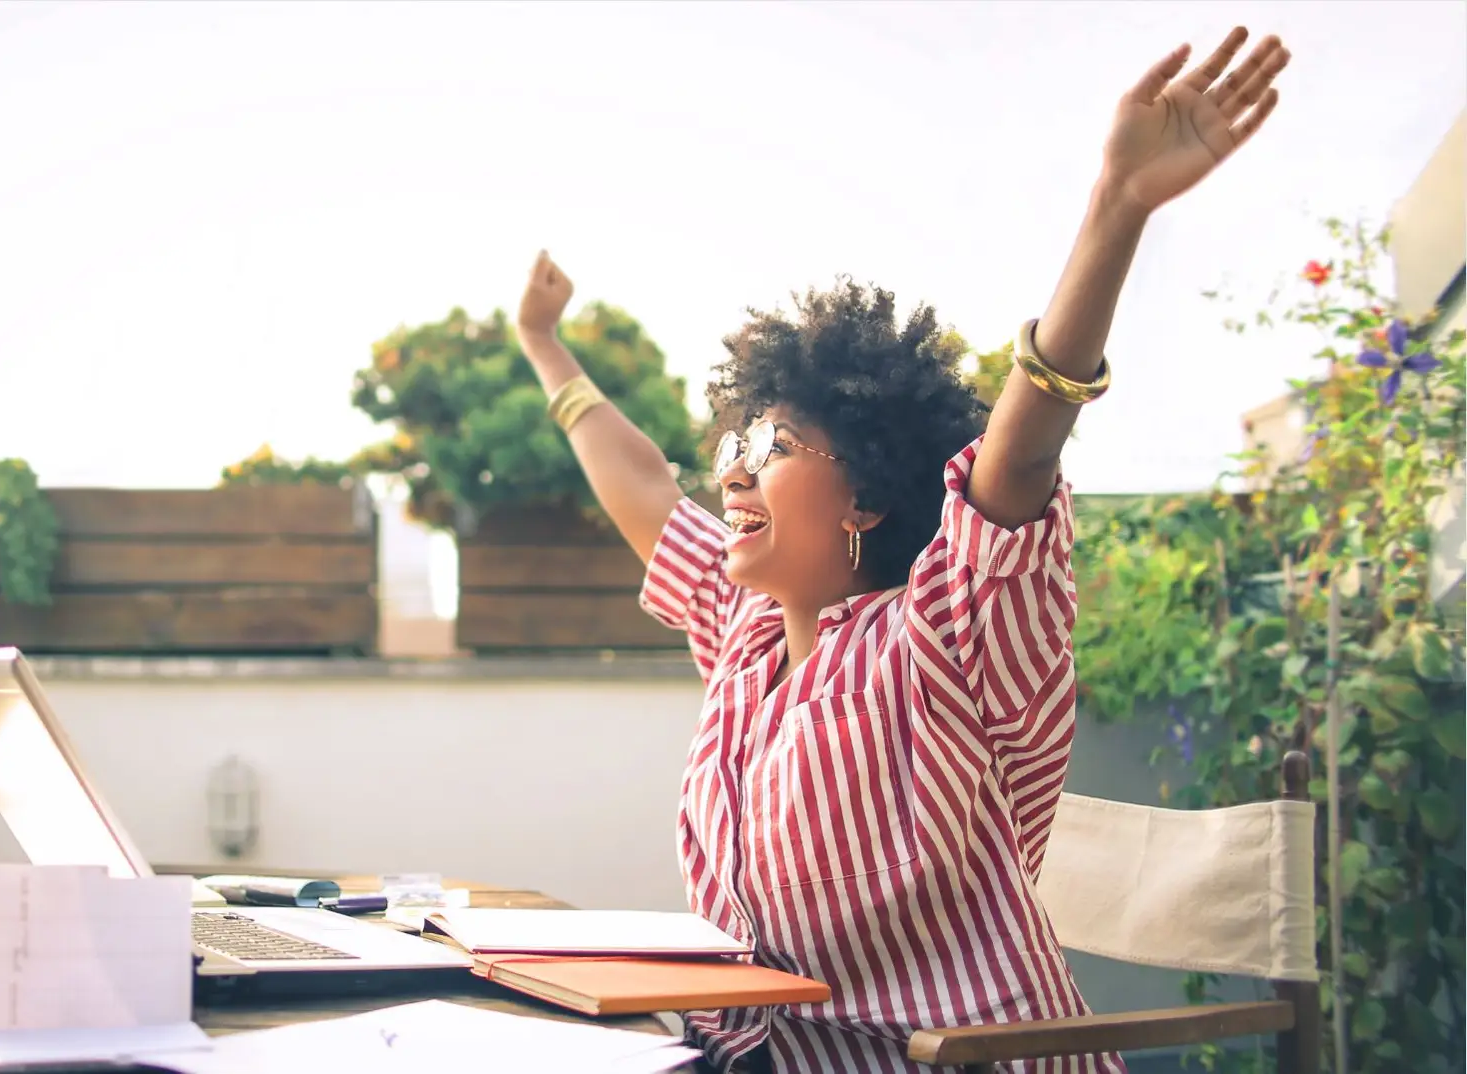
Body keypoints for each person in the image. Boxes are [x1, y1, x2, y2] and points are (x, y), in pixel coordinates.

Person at [511, 27, 1290, 1074]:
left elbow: (1015, 463)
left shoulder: (949, 634)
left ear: (868, 496)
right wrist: (545, 348)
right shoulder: (744, 637)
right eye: (734, 450)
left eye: (772, 451)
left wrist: (1118, 205)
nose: (732, 475)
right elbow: (646, 485)